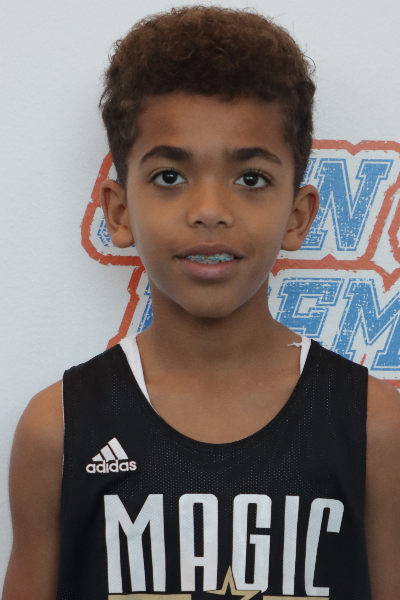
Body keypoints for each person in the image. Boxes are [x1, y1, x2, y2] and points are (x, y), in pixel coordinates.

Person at [3, 6, 400, 600]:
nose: (210, 210)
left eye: (250, 179)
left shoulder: (374, 426)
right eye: (170, 176)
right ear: (118, 212)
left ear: (298, 216)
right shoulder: (58, 430)